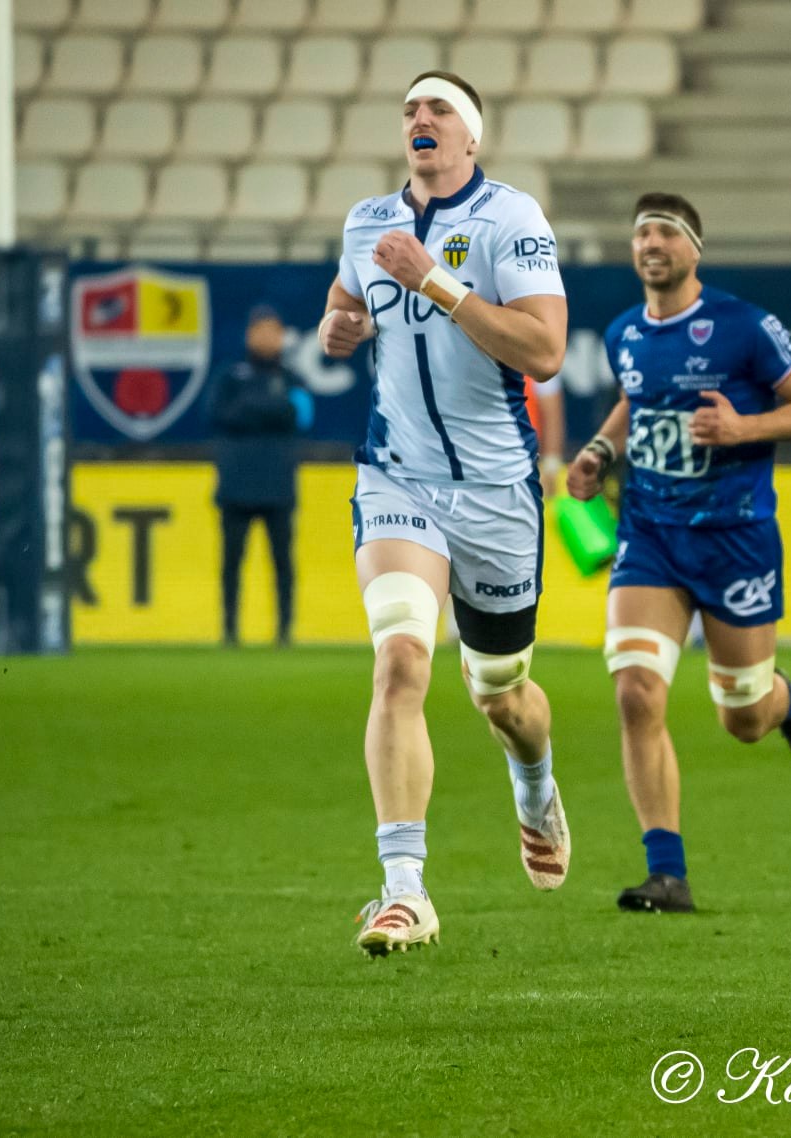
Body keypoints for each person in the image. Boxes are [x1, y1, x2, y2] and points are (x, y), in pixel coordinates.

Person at [319, 70, 571, 955]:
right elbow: (344, 307)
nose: (420, 120)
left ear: (471, 136)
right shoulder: (364, 221)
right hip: (397, 479)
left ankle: (533, 779)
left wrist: (440, 285)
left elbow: (544, 350)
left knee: (501, 694)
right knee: (398, 666)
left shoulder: (513, 219)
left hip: (498, 491)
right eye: (410, 111)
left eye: (438, 110)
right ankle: (403, 890)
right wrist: (338, 328)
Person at [568, 192, 791, 914]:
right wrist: (599, 449)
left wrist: (744, 427)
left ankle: (786, 705)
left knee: (741, 715)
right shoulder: (624, 331)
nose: (650, 243)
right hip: (650, 537)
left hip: (735, 539)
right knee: (634, 690)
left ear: (693, 249)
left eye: (665, 232)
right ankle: (667, 872)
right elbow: (636, 399)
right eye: (640, 233)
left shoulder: (744, 326)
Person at [209, 305, 310, 647]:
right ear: (249, 335)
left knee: (282, 562)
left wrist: (250, 409)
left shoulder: (292, 377)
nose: (268, 338)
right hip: (236, 484)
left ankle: (284, 631)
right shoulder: (229, 375)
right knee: (231, 563)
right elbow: (216, 414)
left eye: (274, 330)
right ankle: (230, 630)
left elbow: (301, 416)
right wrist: (270, 410)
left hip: (278, 485)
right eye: (261, 330)